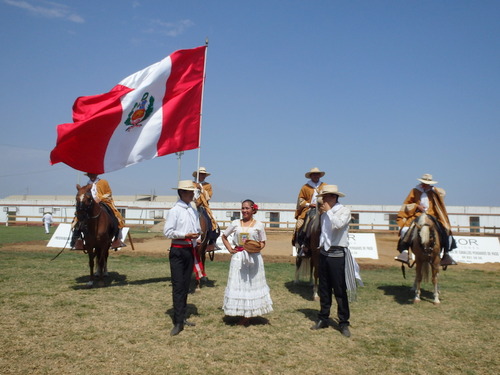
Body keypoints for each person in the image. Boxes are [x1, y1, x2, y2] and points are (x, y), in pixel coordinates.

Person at [311, 185, 360, 338]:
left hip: (338, 255)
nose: (323, 200)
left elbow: (338, 225)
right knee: (324, 288)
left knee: (339, 290)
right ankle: (323, 318)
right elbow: (324, 231)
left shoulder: (344, 211)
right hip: (324, 253)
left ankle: (343, 322)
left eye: (325, 197)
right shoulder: (324, 213)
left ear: (333, 197)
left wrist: (328, 212)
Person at [221, 199, 273, 326]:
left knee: (251, 284)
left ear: (253, 210)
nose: (244, 211)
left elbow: (263, 242)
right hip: (238, 258)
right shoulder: (235, 223)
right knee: (240, 283)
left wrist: (256, 247)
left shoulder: (259, 225)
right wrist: (230, 249)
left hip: (253, 259)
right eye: (242, 208)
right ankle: (241, 311)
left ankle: (248, 314)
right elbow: (224, 236)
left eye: (247, 208)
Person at [164, 180, 201, 336]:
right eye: (190, 192)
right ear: (182, 193)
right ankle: (178, 321)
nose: (193, 194)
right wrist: (185, 235)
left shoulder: (192, 210)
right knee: (178, 285)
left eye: (192, 192)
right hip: (178, 251)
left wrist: (197, 237)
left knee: (186, 285)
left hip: (189, 250)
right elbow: (167, 231)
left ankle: (182, 316)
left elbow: (197, 228)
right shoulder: (175, 211)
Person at [395, 173, 457, 266]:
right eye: (424, 183)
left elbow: (442, 198)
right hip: (417, 215)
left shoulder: (435, 191)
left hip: (432, 215)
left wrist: (436, 192)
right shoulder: (414, 191)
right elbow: (407, 204)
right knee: (405, 229)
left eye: (428, 183)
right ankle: (405, 252)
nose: (426, 185)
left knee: (446, 230)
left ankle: (446, 254)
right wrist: (416, 206)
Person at [71, 173, 126, 250]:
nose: (92, 176)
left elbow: (109, 193)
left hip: (103, 202)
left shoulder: (103, 182)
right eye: (90, 175)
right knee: (78, 217)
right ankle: (78, 240)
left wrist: (100, 198)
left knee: (117, 216)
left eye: (93, 175)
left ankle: (117, 239)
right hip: (89, 204)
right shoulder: (87, 184)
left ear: (96, 175)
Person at [292, 167, 327, 254]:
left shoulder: (325, 186)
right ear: (311, 176)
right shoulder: (305, 187)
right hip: (310, 208)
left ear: (320, 175)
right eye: (314, 174)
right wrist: (309, 204)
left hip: (323, 208)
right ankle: (303, 243)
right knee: (301, 223)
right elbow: (300, 200)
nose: (316, 176)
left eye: (317, 174)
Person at [192, 167, 219, 250]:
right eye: (201, 174)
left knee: (211, 220)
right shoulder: (191, 184)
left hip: (203, 206)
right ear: (197, 175)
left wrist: (201, 189)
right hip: (191, 205)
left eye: (204, 175)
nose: (203, 176)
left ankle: (212, 241)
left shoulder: (207, 185)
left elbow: (208, 196)